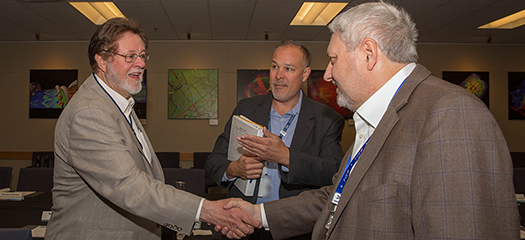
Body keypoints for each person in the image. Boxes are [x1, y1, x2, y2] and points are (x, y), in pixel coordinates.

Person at [220, 2, 519, 239]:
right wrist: (258, 214)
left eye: (334, 59)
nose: (328, 74)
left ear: (368, 54)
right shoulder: (379, 119)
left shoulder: (450, 114)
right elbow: (337, 197)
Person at [45, 18, 260, 240]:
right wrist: (208, 211)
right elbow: (128, 186)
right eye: (130, 56)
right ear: (102, 61)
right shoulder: (89, 112)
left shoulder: (120, 103)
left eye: (142, 55)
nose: (140, 64)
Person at [205, 40, 345, 238]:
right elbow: (214, 162)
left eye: (288, 68)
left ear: (305, 74)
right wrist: (233, 169)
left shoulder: (327, 120)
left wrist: (286, 157)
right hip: (243, 224)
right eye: (274, 67)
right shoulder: (245, 109)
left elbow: (332, 172)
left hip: (293, 228)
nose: (279, 76)